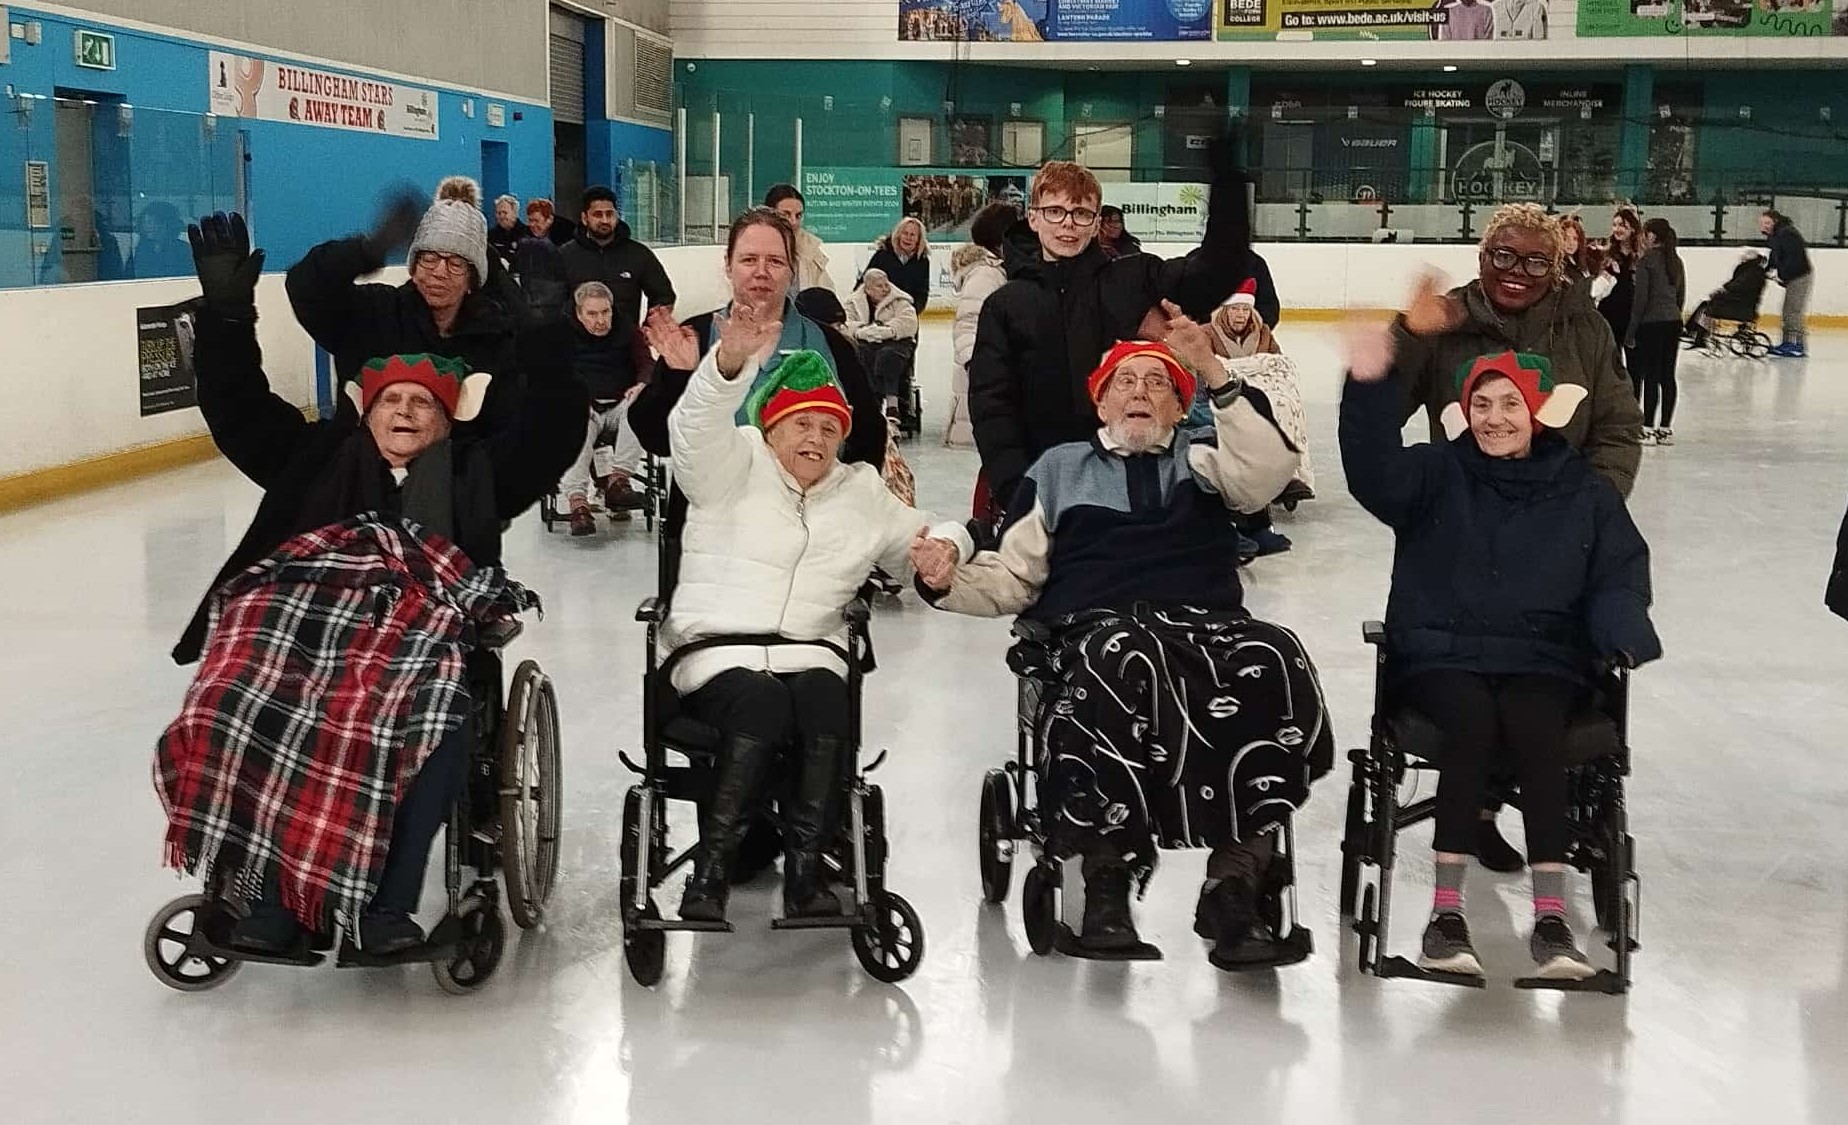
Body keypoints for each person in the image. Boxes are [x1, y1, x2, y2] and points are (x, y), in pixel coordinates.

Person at [170, 212, 586, 955]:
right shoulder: (320, 456)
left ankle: (385, 910)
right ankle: (271, 901)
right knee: (254, 694)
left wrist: (550, 331)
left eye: (420, 402)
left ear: (446, 419)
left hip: (421, 647)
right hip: (316, 635)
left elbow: (552, 433)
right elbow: (237, 411)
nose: (403, 409)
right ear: (364, 411)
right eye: (389, 399)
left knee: (440, 725)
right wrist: (228, 316)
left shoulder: (473, 474)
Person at [914, 334, 1330, 969]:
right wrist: (946, 582)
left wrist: (1216, 371)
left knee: (1271, 654)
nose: (1141, 392)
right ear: (1101, 402)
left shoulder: (1206, 457)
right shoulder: (1058, 469)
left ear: (1178, 404)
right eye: (1125, 383)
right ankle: (1108, 877)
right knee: (1124, 655)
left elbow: (1270, 473)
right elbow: (1016, 577)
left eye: (1158, 383)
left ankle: (1237, 884)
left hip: (1201, 626)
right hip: (1095, 630)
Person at [1340, 337, 1661, 981]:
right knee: (1472, 721)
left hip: (1542, 658)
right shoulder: (1435, 473)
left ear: (1537, 411)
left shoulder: (1582, 492)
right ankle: (1446, 916)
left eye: (1509, 403)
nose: (1494, 417)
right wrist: (1373, 382)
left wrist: (1623, 629)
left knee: (1537, 724)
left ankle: (1550, 920)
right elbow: (1372, 467)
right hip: (1442, 654)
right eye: (1480, 404)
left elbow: (1618, 573)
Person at [663, 306, 968, 923]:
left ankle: (805, 876)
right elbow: (694, 433)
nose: (815, 440)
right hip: (718, 652)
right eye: (801, 425)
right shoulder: (734, 464)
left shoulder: (859, 491)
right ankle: (712, 873)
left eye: (830, 429)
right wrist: (726, 366)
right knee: (763, 703)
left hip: (811, 653)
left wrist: (949, 546)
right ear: (770, 430)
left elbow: (922, 537)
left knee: (829, 699)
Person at [968, 134, 1255, 513]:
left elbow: (1215, 273)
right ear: (1033, 218)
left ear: (1096, 222)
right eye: (1055, 211)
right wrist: (1015, 489)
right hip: (1038, 483)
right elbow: (992, 405)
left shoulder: (1131, 278)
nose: (1067, 225)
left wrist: (1228, 183)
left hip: (1127, 483)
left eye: (1081, 213)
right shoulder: (1005, 305)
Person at [1392, 203, 1643, 499]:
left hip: (1559, 524)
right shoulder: (1446, 325)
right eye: (1503, 256)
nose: (1517, 271)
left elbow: (1617, 428)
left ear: (1556, 270)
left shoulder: (1587, 330)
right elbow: (1381, 412)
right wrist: (1407, 336)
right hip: (1461, 525)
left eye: (1537, 262)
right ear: (1482, 257)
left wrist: (1591, 508)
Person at [631, 209, 887, 470]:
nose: (761, 272)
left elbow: (870, 440)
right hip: (714, 507)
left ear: (792, 270)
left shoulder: (831, 345)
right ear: (728, 265)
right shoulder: (693, 337)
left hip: (808, 508)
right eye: (749, 259)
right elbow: (657, 441)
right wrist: (679, 378)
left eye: (775, 261)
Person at [286, 177, 517, 424]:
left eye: (456, 263)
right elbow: (306, 287)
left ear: (473, 279)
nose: (439, 271)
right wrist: (367, 250)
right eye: (429, 258)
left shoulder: (495, 337)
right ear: (414, 268)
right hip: (367, 460)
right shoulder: (374, 315)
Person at [560, 281, 652, 535]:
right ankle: (578, 503)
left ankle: (617, 481)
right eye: (592, 314)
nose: (600, 320)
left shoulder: (627, 330)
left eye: (605, 312)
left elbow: (647, 363)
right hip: (584, 408)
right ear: (579, 314)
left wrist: (642, 384)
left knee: (641, 406)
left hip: (620, 404)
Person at [560, 185, 677, 339]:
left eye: (610, 214)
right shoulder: (565, 255)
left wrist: (650, 329)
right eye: (597, 214)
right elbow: (552, 302)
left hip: (626, 347)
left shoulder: (638, 254)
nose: (604, 220)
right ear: (584, 218)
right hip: (576, 347)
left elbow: (664, 295)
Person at [948, 202, 1015, 449]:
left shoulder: (1004, 270)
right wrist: (979, 368)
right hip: (989, 384)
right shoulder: (986, 274)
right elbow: (968, 324)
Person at [1626, 217, 1687, 447]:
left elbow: (1640, 301)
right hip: (1672, 322)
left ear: (1651, 236)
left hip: (1651, 324)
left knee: (1650, 375)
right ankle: (1665, 428)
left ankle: (1648, 427)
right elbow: (1681, 295)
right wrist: (1674, 315)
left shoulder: (1646, 261)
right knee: (1667, 375)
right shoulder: (1676, 261)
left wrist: (1631, 332)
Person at [844, 267, 920, 427]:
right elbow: (846, 324)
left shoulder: (900, 300)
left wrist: (887, 330)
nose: (885, 289)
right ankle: (873, 404)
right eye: (880, 286)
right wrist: (861, 331)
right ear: (868, 288)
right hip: (866, 342)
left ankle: (892, 405)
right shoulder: (852, 302)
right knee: (863, 355)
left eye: (886, 284)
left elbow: (909, 322)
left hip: (896, 342)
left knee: (887, 355)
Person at [1686, 248, 1769, 348]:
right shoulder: (1754, 272)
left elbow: (1738, 287)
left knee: (1708, 307)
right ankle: (1693, 331)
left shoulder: (1751, 273)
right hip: (1743, 307)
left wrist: (1721, 292)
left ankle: (1695, 333)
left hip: (1739, 308)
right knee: (1706, 305)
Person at [1595, 206, 1641, 375]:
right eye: (1614, 225)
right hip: (1610, 313)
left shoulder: (1641, 256)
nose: (1617, 229)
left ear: (1633, 228)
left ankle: (1634, 400)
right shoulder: (1607, 254)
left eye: (1622, 225)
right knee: (1611, 362)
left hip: (1633, 314)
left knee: (1635, 363)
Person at [1762, 209, 1813, 358]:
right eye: (1762, 223)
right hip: (1793, 276)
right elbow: (1775, 255)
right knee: (1787, 311)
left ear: (1775, 222)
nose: (1764, 226)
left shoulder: (1787, 234)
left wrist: (1783, 274)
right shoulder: (1777, 235)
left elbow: (1794, 258)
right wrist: (1767, 269)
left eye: (1767, 223)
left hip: (1800, 276)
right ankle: (1787, 343)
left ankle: (1797, 345)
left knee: (1793, 311)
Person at [764, 184, 834, 292]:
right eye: (786, 215)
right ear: (769, 215)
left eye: (798, 216)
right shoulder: (750, 250)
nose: (793, 222)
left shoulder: (811, 254)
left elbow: (827, 298)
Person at [865, 216, 932, 315]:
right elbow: (865, 283)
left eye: (912, 235)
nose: (908, 238)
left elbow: (922, 293)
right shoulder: (882, 255)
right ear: (899, 234)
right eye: (905, 233)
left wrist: (912, 312)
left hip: (907, 316)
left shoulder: (922, 262)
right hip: (881, 315)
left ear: (919, 239)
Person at [130, 201, 195, 279]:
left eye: (153, 222)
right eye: (145, 222)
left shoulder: (184, 250)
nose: (148, 226)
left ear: (167, 224)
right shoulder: (139, 250)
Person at [1559, 215, 1598, 305]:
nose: (1571, 243)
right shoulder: (1558, 266)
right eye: (1566, 238)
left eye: (1575, 239)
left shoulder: (1583, 262)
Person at [488, 194, 523, 274]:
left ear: (515, 213)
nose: (501, 216)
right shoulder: (491, 236)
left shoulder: (526, 234)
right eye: (498, 213)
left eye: (505, 212)